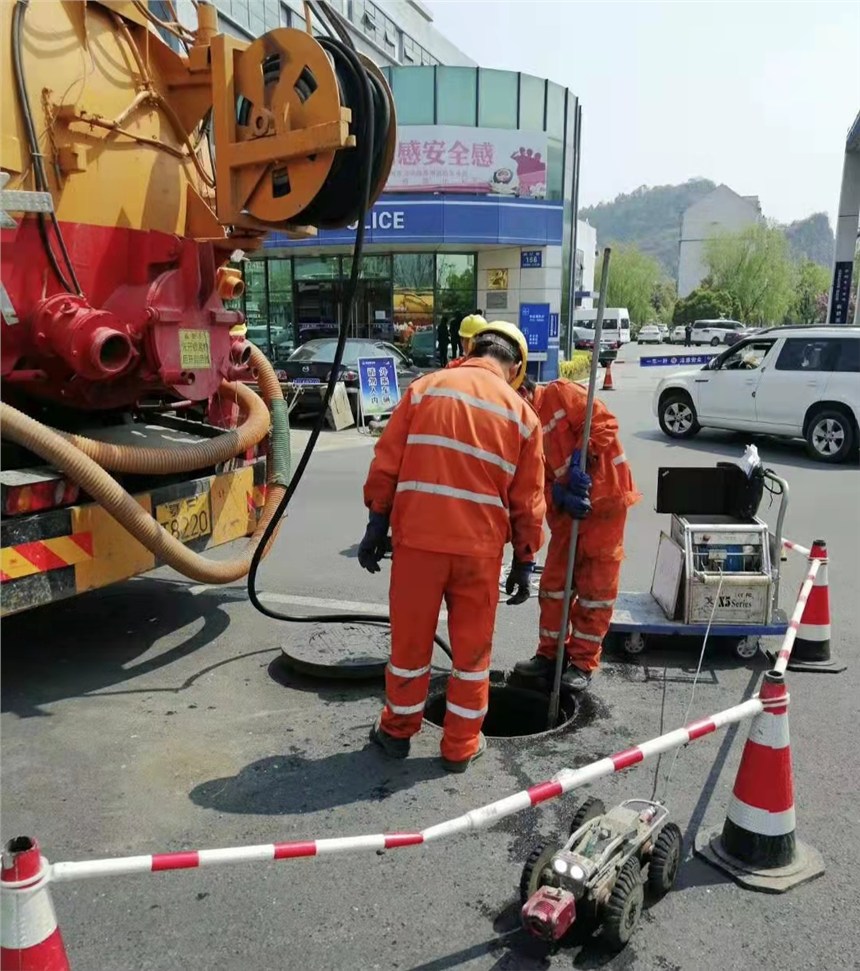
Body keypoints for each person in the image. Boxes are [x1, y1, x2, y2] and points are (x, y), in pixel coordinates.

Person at [357, 321, 545, 772]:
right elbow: (528, 501)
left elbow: (387, 462)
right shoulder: (523, 416)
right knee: (472, 652)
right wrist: (524, 560)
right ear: (515, 366)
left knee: (410, 644)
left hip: (418, 544)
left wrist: (375, 525)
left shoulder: (425, 389)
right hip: (479, 552)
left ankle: (397, 733)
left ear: (471, 348)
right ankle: (460, 745)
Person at [513, 375, 640, 692]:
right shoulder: (520, 424)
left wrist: (583, 456)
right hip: (569, 509)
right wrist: (558, 494)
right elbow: (534, 478)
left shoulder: (561, 394)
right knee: (554, 585)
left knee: (595, 588)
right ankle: (550, 656)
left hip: (605, 501)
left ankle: (582, 663)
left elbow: (604, 424)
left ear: (525, 391)